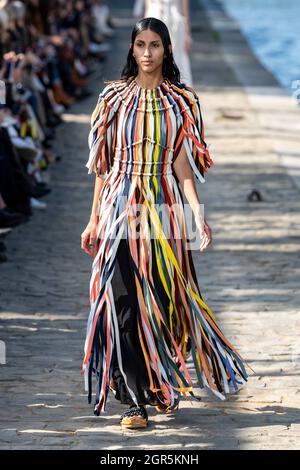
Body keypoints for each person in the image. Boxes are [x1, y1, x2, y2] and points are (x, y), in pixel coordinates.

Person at [81, 17, 249, 429]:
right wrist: (92, 220)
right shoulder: (112, 99)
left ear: (166, 49)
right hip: (120, 205)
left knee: (162, 301)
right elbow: (102, 166)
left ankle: (159, 382)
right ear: (132, 48)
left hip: (162, 209)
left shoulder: (181, 102)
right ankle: (135, 400)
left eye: (155, 44)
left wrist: (197, 214)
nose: (147, 52)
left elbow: (183, 166)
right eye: (141, 44)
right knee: (122, 302)